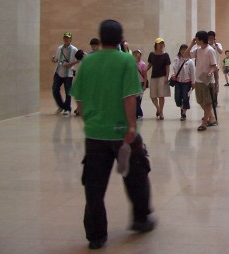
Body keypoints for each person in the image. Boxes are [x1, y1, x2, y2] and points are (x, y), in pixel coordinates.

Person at [70, 19, 155, 249]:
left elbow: (77, 95)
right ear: (120, 38)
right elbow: (129, 96)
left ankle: (96, 236)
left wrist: (85, 115)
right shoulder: (125, 60)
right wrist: (130, 126)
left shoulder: (87, 62)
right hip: (121, 133)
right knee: (136, 175)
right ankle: (140, 218)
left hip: (95, 134)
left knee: (94, 187)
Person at [192, 30, 218, 131]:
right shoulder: (197, 50)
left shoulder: (210, 50)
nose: (195, 40)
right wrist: (191, 44)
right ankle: (211, 118)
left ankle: (204, 123)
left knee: (207, 102)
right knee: (200, 101)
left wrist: (210, 72)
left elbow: (214, 65)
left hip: (207, 80)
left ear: (200, 39)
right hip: (198, 79)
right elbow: (185, 55)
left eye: (196, 38)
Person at [51, 31, 79, 115]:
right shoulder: (59, 48)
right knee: (55, 89)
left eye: (68, 38)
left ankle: (67, 109)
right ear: (63, 38)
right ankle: (61, 106)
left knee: (68, 91)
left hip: (68, 74)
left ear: (71, 39)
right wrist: (53, 59)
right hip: (58, 72)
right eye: (65, 37)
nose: (66, 39)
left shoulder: (74, 50)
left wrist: (70, 64)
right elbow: (56, 59)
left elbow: (79, 59)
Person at [146, 38, 170, 120]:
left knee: (161, 95)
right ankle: (158, 109)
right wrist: (144, 70)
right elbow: (150, 64)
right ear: (156, 45)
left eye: (162, 44)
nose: (161, 45)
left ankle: (161, 112)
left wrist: (167, 77)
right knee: (153, 96)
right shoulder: (152, 54)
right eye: (159, 44)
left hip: (162, 76)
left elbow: (167, 67)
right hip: (154, 77)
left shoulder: (165, 55)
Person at [171, 44, 195, 121]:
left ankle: (184, 113)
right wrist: (173, 75)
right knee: (177, 98)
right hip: (178, 81)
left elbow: (192, 73)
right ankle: (181, 107)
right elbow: (174, 69)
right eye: (182, 50)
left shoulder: (190, 61)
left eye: (185, 50)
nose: (183, 51)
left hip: (187, 82)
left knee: (185, 97)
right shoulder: (176, 59)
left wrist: (193, 83)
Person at [132, 50, 147, 119]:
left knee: (138, 99)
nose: (136, 55)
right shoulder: (131, 64)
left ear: (140, 55)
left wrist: (144, 85)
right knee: (135, 99)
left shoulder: (143, 64)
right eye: (135, 54)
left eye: (138, 54)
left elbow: (145, 75)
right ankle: (138, 113)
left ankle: (137, 113)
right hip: (134, 83)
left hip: (140, 83)